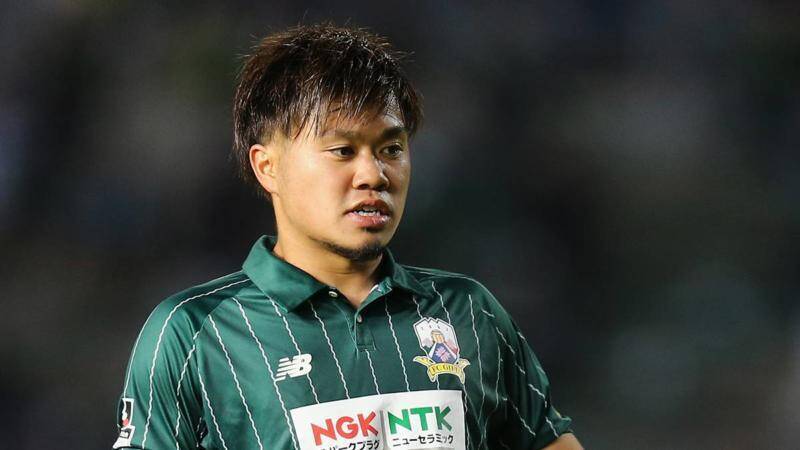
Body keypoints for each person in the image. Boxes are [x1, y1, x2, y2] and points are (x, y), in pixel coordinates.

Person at [113, 23, 582, 450]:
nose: (373, 175)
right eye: (342, 150)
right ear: (267, 166)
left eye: (391, 149)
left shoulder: (468, 312)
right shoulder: (195, 333)